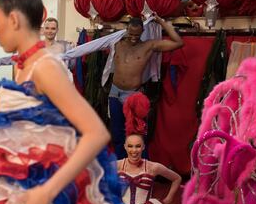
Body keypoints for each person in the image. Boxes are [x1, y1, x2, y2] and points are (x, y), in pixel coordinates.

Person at [0, 0, 137, 204]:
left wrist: (47, 191)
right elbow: (38, 127)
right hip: (25, 186)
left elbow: (95, 133)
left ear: (14, 20)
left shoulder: (45, 66)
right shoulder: (24, 65)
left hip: (44, 190)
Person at [62, 16, 184, 159]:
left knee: (137, 135)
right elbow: (93, 45)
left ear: (143, 31)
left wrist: (161, 21)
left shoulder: (148, 46)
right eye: (131, 34)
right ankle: (121, 167)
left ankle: (141, 169)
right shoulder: (117, 43)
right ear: (126, 30)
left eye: (137, 35)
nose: (133, 38)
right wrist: (66, 55)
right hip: (114, 92)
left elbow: (178, 42)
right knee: (117, 134)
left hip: (133, 95)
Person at [117, 92, 195, 204]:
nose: (134, 150)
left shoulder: (153, 167)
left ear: (143, 147)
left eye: (138, 146)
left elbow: (177, 179)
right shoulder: (116, 165)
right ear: (124, 147)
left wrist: (167, 199)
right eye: (130, 146)